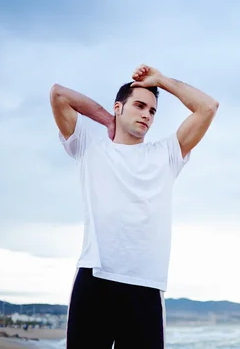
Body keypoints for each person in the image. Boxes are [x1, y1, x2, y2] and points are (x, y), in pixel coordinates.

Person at [50, 64, 219, 348]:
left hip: (145, 286)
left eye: (152, 111)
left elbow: (208, 107)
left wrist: (161, 81)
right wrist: (106, 120)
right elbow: (58, 95)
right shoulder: (90, 147)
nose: (147, 115)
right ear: (119, 107)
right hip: (96, 278)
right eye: (140, 106)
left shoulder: (166, 154)